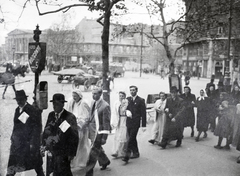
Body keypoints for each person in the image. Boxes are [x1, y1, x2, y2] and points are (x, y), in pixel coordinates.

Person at [6, 90, 44, 176]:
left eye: (21, 99)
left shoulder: (31, 110)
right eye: (17, 100)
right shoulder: (17, 110)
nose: (19, 102)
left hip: (28, 144)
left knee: (36, 165)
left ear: (25, 99)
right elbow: (16, 126)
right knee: (12, 165)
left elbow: (36, 128)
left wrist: (33, 143)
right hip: (17, 144)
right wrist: (12, 137)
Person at [41, 93, 79, 176]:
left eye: (57, 104)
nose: (54, 106)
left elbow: (74, 136)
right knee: (51, 171)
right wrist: (43, 145)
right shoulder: (51, 115)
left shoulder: (70, 117)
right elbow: (46, 131)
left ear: (62, 104)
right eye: (53, 104)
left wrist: (71, 153)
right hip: (52, 150)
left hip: (63, 152)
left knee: (63, 171)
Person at [85, 87, 111, 176]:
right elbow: (91, 116)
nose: (93, 95)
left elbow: (106, 123)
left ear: (100, 94)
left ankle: (88, 171)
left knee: (93, 151)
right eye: (92, 93)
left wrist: (104, 137)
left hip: (99, 132)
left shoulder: (105, 106)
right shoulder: (93, 102)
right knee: (97, 148)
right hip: (92, 130)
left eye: (95, 94)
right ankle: (105, 161)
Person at [65, 90, 90, 170]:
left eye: (75, 96)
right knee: (74, 144)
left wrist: (78, 125)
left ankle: (82, 161)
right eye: (73, 96)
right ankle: (74, 162)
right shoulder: (71, 102)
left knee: (81, 145)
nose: (74, 98)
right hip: (72, 127)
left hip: (80, 128)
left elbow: (86, 117)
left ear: (79, 96)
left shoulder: (83, 103)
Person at [122, 85, 146, 162]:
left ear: (136, 91)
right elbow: (123, 109)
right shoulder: (127, 99)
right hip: (129, 122)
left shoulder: (140, 100)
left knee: (131, 138)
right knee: (132, 138)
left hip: (136, 122)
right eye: (131, 90)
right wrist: (126, 111)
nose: (132, 91)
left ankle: (127, 156)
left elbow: (143, 113)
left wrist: (144, 125)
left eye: (133, 90)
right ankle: (136, 152)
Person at [111, 91, 132, 158]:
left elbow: (128, 110)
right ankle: (116, 151)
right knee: (117, 136)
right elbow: (114, 112)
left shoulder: (126, 102)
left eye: (122, 96)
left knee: (123, 136)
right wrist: (113, 122)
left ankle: (123, 151)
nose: (121, 97)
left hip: (125, 119)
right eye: (120, 96)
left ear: (125, 96)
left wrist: (127, 112)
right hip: (118, 120)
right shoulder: (116, 103)